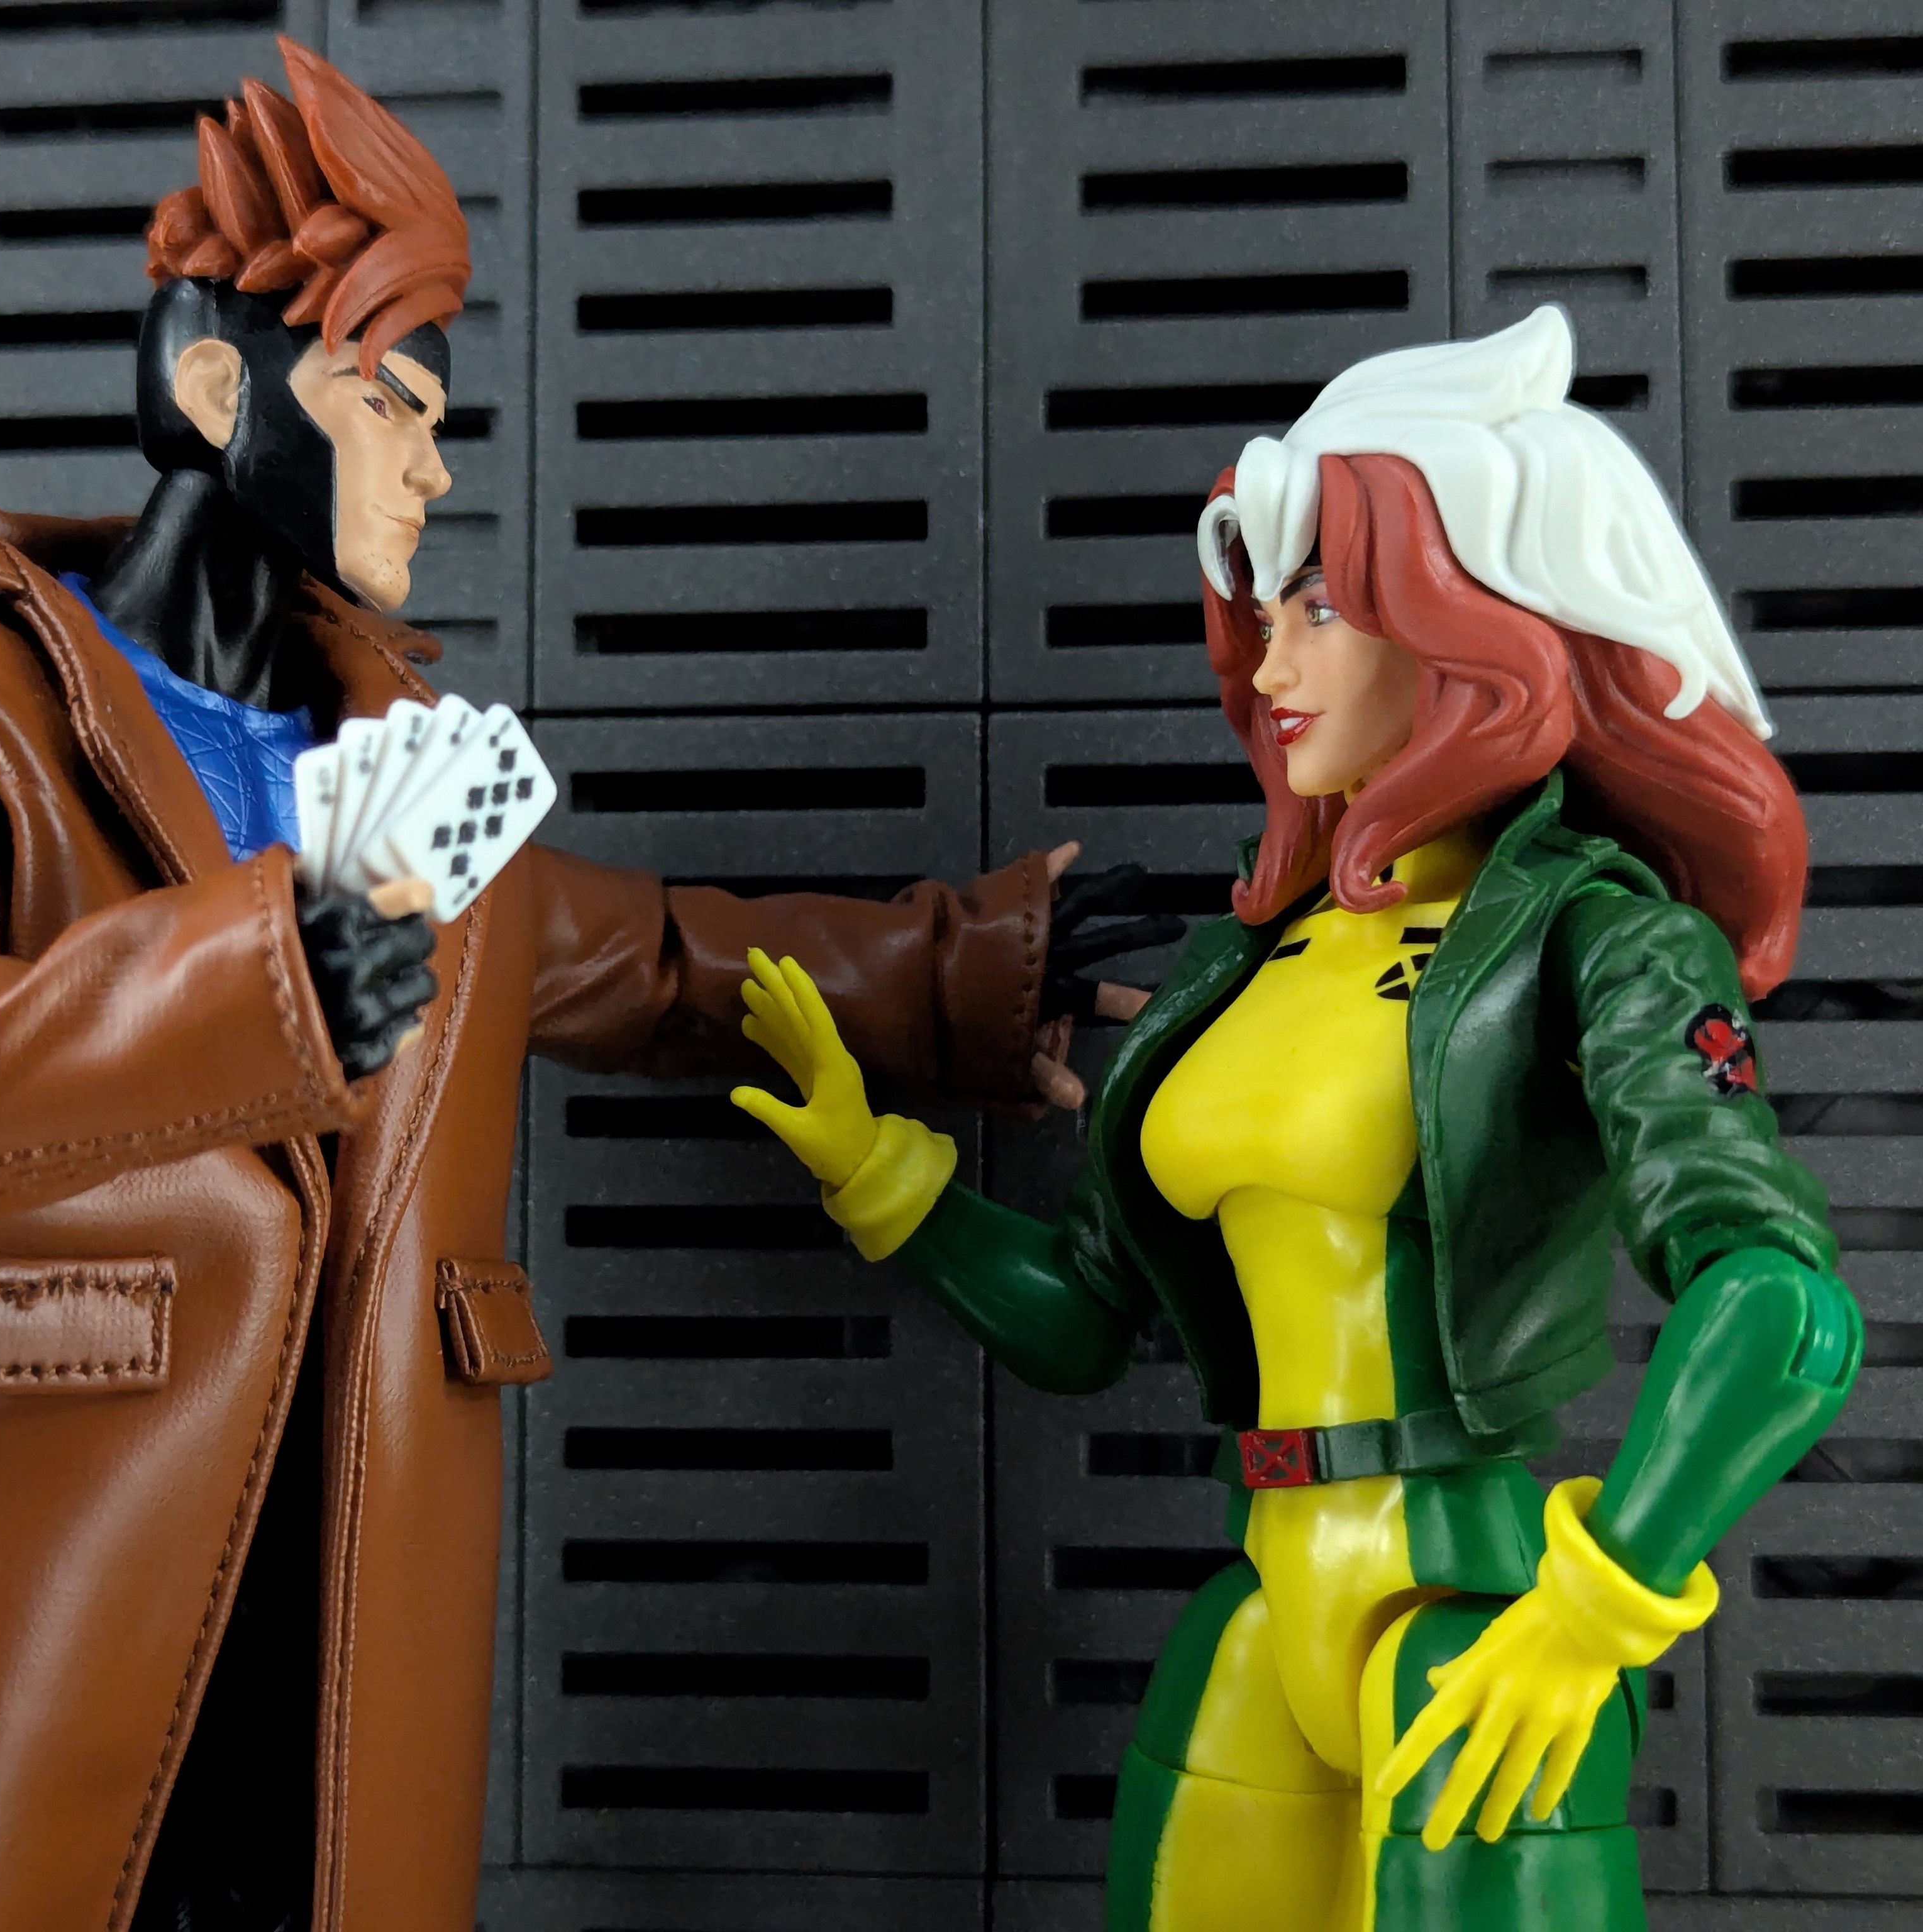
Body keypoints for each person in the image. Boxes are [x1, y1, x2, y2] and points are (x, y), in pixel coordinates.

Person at [0, 42, 1165, 1932]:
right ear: (220, 392)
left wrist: (957, 977)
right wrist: (259, 979)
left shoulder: (389, 749)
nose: (435, 464)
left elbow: (644, 957)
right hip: (29, 1555)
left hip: (349, 1566)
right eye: (388, 402)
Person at [728, 306, 1860, 1930]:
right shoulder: (1246, 960)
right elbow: (1088, 1315)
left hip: (1475, 1615)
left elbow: (1783, 1309)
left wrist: (1597, 1609)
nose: (1271, 670)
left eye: (1323, 608)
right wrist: (881, 1177)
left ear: (1472, 625)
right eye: (1266, 614)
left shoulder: (1600, 939)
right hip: (1265, 1598)